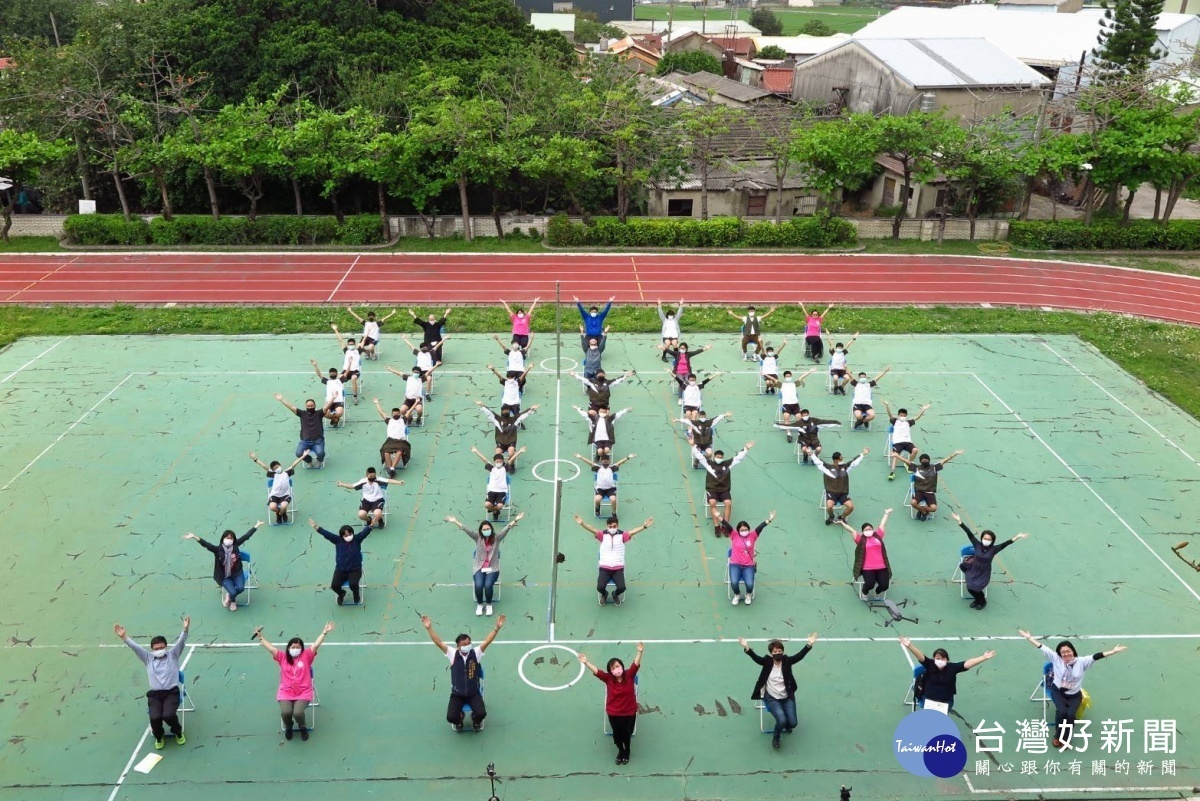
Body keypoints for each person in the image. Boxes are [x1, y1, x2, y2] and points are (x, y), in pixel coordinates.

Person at [1018, 629, 1128, 749]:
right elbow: (1042, 647)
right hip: (1058, 692)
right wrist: (1029, 638)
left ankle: (1066, 738)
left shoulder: (1081, 662)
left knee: (1071, 715)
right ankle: (1058, 736)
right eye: (1063, 652)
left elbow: (1096, 656)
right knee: (1062, 712)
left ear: (1073, 651)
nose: (1066, 654)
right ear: (1059, 654)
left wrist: (1112, 651)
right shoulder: (1056, 659)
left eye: (1068, 651)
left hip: (1075, 694)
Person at [421, 614, 507, 732]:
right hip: (457, 694)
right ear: (458, 646)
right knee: (451, 717)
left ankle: (475, 720)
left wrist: (497, 628)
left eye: (468, 643)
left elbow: (487, 641)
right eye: (463, 644)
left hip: (473, 693)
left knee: (481, 713)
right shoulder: (452, 653)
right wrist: (429, 628)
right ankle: (459, 718)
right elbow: (439, 643)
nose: (467, 646)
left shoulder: (476, 653)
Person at [114, 616, 190, 749]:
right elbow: (135, 647)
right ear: (151, 649)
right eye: (156, 648)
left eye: (161, 647)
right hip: (154, 695)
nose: (159, 650)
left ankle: (177, 732)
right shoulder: (147, 658)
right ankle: (159, 736)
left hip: (171, 693)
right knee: (155, 717)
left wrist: (185, 629)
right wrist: (124, 637)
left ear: (166, 647)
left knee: (168, 715)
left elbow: (181, 642)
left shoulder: (173, 655)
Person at [253, 621, 335, 741]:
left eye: (298, 647)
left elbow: (316, 645)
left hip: (303, 692)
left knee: (297, 713)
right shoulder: (282, 657)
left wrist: (324, 632)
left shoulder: (307, 656)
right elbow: (270, 648)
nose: (295, 649)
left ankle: (303, 728)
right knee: (286, 712)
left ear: (301, 649)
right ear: (289, 648)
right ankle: (289, 726)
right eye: (293, 647)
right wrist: (260, 638)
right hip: (286, 692)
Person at [739, 633, 819, 749]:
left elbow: (799, 656)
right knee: (781, 720)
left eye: (779, 651)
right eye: (775, 652)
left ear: (782, 651)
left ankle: (786, 723)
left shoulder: (787, 661)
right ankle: (776, 738)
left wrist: (809, 644)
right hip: (772, 698)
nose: (778, 653)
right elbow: (756, 658)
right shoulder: (767, 662)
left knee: (792, 724)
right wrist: (746, 647)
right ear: (771, 654)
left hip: (787, 697)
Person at [445, 512, 525, 616]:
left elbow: (507, 528)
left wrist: (516, 520)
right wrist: (455, 521)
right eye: (484, 529)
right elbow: (466, 529)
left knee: (488, 585)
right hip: (479, 567)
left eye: (488, 529)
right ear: (481, 531)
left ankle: (488, 604)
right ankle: (479, 604)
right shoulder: (477, 537)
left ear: (491, 529)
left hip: (493, 568)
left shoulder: (497, 538)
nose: (486, 531)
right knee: (478, 585)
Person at [580, 642, 644, 765]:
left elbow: (635, 664)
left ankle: (627, 751)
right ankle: (621, 751)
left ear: (622, 666)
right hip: (614, 713)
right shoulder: (608, 678)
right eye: (613, 668)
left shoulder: (629, 675)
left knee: (627, 734)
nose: (616, 669)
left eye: (618, 666)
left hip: (629, 712)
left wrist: (640, 651)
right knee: (617, 735)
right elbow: (598, 672)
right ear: (610, 671)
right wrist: (586, 662)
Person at [951, 511, 1029, 609]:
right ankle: (976, 599)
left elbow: (1006, 543)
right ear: (982, 538)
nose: (986, 540)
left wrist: (1017, 537)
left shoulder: (994, 549)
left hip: (984, 572)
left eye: (989, 539)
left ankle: (982, 601)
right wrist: (959, 521)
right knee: (970, 587)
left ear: (992, 541)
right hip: (973, 568)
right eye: (985, 538)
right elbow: (969, 533)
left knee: (978, 588)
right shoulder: (977, 544)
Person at [573, 514, 654, 606]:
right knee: (600, 587)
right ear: (607, 526)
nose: (612, 528)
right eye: (610, 526)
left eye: (614, 526)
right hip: (604, 568)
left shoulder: (622, 535)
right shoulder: (602, 535)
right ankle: (605, 594)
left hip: (618, 569)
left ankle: (615, 594)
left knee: (622, 588)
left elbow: (633, 531)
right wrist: (582, 524)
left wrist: (644, 526)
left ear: (617, 526)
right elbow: (592, 529)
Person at [898, 636, 996, 711]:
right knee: (929, 719)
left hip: (945, 702)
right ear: (934, 659)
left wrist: (983, 658)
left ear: (947, 660)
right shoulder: (930, 665)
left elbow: (967, 664)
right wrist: (910, 646)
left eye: (943, 658)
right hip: (928, 700)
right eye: (938, 658)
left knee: (941, 721)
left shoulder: (952, 668)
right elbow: (920, 656)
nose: (940, 660)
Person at [182, 522, 263, 611]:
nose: (229, 539)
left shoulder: (235, 546)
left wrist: (256, 525)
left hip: (237, 573)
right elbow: (206, 544)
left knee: (240, 588)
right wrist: (194, 536)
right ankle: (233, 600)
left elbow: (246, 536)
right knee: (232, 591)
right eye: (227, 538)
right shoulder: (217, 550)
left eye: (231, 538)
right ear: (223, 539)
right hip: (224, 576)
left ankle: (230, 597)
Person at [693, 442, 754, 532]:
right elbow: (699, 456)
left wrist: (745, 449)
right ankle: (717, 526)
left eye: (721, 457)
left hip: (724, 490)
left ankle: (725, 525)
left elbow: (738, 458)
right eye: (717, 457)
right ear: (714, 457)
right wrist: (693, 445)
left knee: (728, 503)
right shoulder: (709, 464)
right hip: (712, 489)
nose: (719, 459)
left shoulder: (727, 464)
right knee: (713, 503)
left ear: (723, 458)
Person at [309, 518, 372, 605]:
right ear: (342, 536)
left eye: (350, 534)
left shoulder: (357, 539)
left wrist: (371, 525)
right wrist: (316, 527)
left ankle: (356, 594)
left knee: (353, 584)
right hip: (341, 569)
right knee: (334, 586)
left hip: (355, 569)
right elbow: (328, 534)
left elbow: (365, 532)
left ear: (352, 533)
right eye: (346, 535)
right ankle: (341, 593)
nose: (348, 536)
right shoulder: (337, 540)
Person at [837, 508, 892, 598]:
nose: (868, 530)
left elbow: (882, 524)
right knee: (870, 584)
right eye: (866, 529)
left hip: (882, 566)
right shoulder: (860, 539)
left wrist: (886, 513)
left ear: (873, 530)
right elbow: (851, 530)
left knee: (884, 586)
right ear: (863, 531)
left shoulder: (878, 536)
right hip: (867, 567)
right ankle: (864, 592)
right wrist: (842, 523)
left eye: (870, 529)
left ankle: (877, 592)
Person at [726, 511, 777, 605]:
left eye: (746, 529)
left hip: (748, 565)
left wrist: (769, 519)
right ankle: (737, 595)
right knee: (734, 582)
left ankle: (748, 594)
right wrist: (719, 517)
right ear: (738, 531)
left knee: (750, 584)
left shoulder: (753, 536)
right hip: (735, 564)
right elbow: (726, 525)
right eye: (742, 530)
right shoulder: (734, 535)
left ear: (748, 529)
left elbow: (761, 527)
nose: (744, 531)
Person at [898, 450, 963, 520]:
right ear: (920, 461)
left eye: (926, 460)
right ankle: (923, 511)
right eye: (923, 461)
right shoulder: (916, 468)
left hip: (930, 492)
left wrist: (954, 454)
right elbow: (907, 462)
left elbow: (944, 461)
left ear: (929, 460)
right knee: (913, 503)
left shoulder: (934, 467)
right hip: (919, 491)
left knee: (934, 508)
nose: (925, 462)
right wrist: (897, 456)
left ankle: (922, 510)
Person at [812, 449, 869, 525]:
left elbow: (854, 462)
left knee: (851, 507)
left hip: (843, 493)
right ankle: (831, 517)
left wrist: (863, 454)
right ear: (836, 460)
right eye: (841, 457)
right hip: (831, 493)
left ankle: (842, 517)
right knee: (829, 506)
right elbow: (818, 462)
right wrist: (811, 454)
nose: (842, 458)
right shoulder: (827, 468)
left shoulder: (845, 467)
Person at [249, 451, 308, 524]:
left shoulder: (287, 472)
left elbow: (295, 463)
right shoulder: (273, 474)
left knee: (284, 506)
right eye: (274, 469)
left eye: (277, 467)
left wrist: (303, 455)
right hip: (274, 495)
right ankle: (279, 513)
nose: (276, 469)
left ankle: (281, 514)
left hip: (285, 495)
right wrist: (255, 459)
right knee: (272, 507)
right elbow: (264, 466)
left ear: (280, 465)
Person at [335, 467, 401, 528]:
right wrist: (342, 484)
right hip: (366, 501)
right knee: (361, 515)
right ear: (367, 475)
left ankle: (380, 520)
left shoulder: (378, 480)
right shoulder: (363, 481)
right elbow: (352, 486)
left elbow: (389, 481)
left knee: (377, 513)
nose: (372, 478)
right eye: (370, 476)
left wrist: (399, 482)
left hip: (378, 500)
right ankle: (369, 520)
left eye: (374, 476)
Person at [471, 445, 525, 520]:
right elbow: (484, 459)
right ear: (494, 462)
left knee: (500, 506)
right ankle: (495, 511)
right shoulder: (491, 468)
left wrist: (520, 451)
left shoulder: (504, 468)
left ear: (503, 462)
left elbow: (511, 459)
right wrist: (476, 451)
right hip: (491, 491)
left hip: (502, 492)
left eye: (500, 461)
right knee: (487, 505)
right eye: (497, 461)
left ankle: (495, 510)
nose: (498, 462)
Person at [275, 394, 329, 467]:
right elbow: (291, 407)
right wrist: (282, 399)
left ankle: (319, 461)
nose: (310, 407)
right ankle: (309, 461)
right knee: (298, 453)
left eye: (311, 405)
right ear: (306, 406)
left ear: (315, 406)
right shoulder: (302, 413)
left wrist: (333, 398)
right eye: (308, 406)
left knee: (320, 453)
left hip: (318, 441)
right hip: (305, 441)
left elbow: (326, 407)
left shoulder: (319, 413)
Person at [575, 452, 636, 517]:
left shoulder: (612, 468)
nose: (605, 462)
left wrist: (628, 457)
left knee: (613, 499)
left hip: (611, 489)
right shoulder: (598, 468)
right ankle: (597, 508)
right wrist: (580, 457)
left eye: (607, 461)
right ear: (601, 461)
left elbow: (620, 463)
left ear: (609, 461)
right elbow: (590, 463)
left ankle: (613, 512)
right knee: (597, 499)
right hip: (600, 489)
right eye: (604, 461)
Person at [883, 401, 931, 479]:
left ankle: (908, 463)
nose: (903, 417)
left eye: (904, 415)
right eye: (901, 415)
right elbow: (890, 415)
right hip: (897, 443)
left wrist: (923, 410)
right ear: (898, 415)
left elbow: (917, 417)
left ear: (906, 416)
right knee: (896, 455)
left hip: (908, 443)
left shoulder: (908, 422)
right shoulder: (895, 421)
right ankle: (892, 472)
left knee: (915, 450)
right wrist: (887, 405)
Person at [372, 398, 411, 477]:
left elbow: (410, 411)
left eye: (397, 413)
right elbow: (381, 412)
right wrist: (377, 403)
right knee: (386, 452)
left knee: (399, 452)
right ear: (392, 414)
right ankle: (390, 469)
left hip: (401, 441)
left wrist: (416, 402)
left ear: (400, 414)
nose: (396, 415)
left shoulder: (403, 420)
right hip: (390, 441)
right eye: (394, 413)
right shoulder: (389, 420)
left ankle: (392, 468)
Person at [774, 408, 840, 455]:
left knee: (819, 449)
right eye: (803, 416)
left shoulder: (814, 421)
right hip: (803, 438)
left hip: (814, 438)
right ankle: (805, 457)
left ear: (808, 414)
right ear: (801, 416)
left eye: (806, 415)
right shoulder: (799, 423)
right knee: (804, 449)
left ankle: (815, 456)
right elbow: (789, 425)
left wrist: (836, 422)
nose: (805, 417)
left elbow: (824, 422)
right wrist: (777, 425)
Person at [330, 325, 365, 402]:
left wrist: (365, 335)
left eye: (352, 344)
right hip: (346, 370)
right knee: (338, 379)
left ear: (355, 345)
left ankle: (355, 396)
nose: (351, 345)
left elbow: (363, 342)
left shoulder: (358, 351)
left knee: (353, 379)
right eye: (350, 344)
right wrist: (336, 330)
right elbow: (340, 340)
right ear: (348, 345)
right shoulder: (346, 351)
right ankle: (335, 396)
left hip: (355, 371)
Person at [310, 361, 346, 427]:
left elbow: (346, 373)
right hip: (329, 402)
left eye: (334, 374)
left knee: (339, 413)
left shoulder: (340, 380)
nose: (332, 375)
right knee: (324, 414)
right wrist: (315, 366)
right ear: (329, 374)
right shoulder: (327, 381)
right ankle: (335, 419)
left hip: (339, 401)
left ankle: (335, 418)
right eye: (331, 374)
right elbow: (319, 374)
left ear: (336, 374)